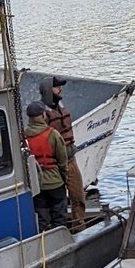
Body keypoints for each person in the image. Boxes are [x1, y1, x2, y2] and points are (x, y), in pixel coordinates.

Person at [44, 77, 87, 229]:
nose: (60, 89)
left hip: (71, 159)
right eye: (57, 87)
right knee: (58, 203)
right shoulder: (44, 113)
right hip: (55, 165)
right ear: (49, 91)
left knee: (78, 196)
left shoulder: (61, 107)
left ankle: (79, 228)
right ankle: (57, 231)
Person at [23, 100, 70, 229]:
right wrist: (65, 178)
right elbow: (63, 160)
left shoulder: (23, 137)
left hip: (36, 185)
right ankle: (60, 240)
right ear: (43, 115)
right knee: (59, 216)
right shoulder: (53, 134)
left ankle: (43, 241)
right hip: (55, 183)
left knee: (41, 219)